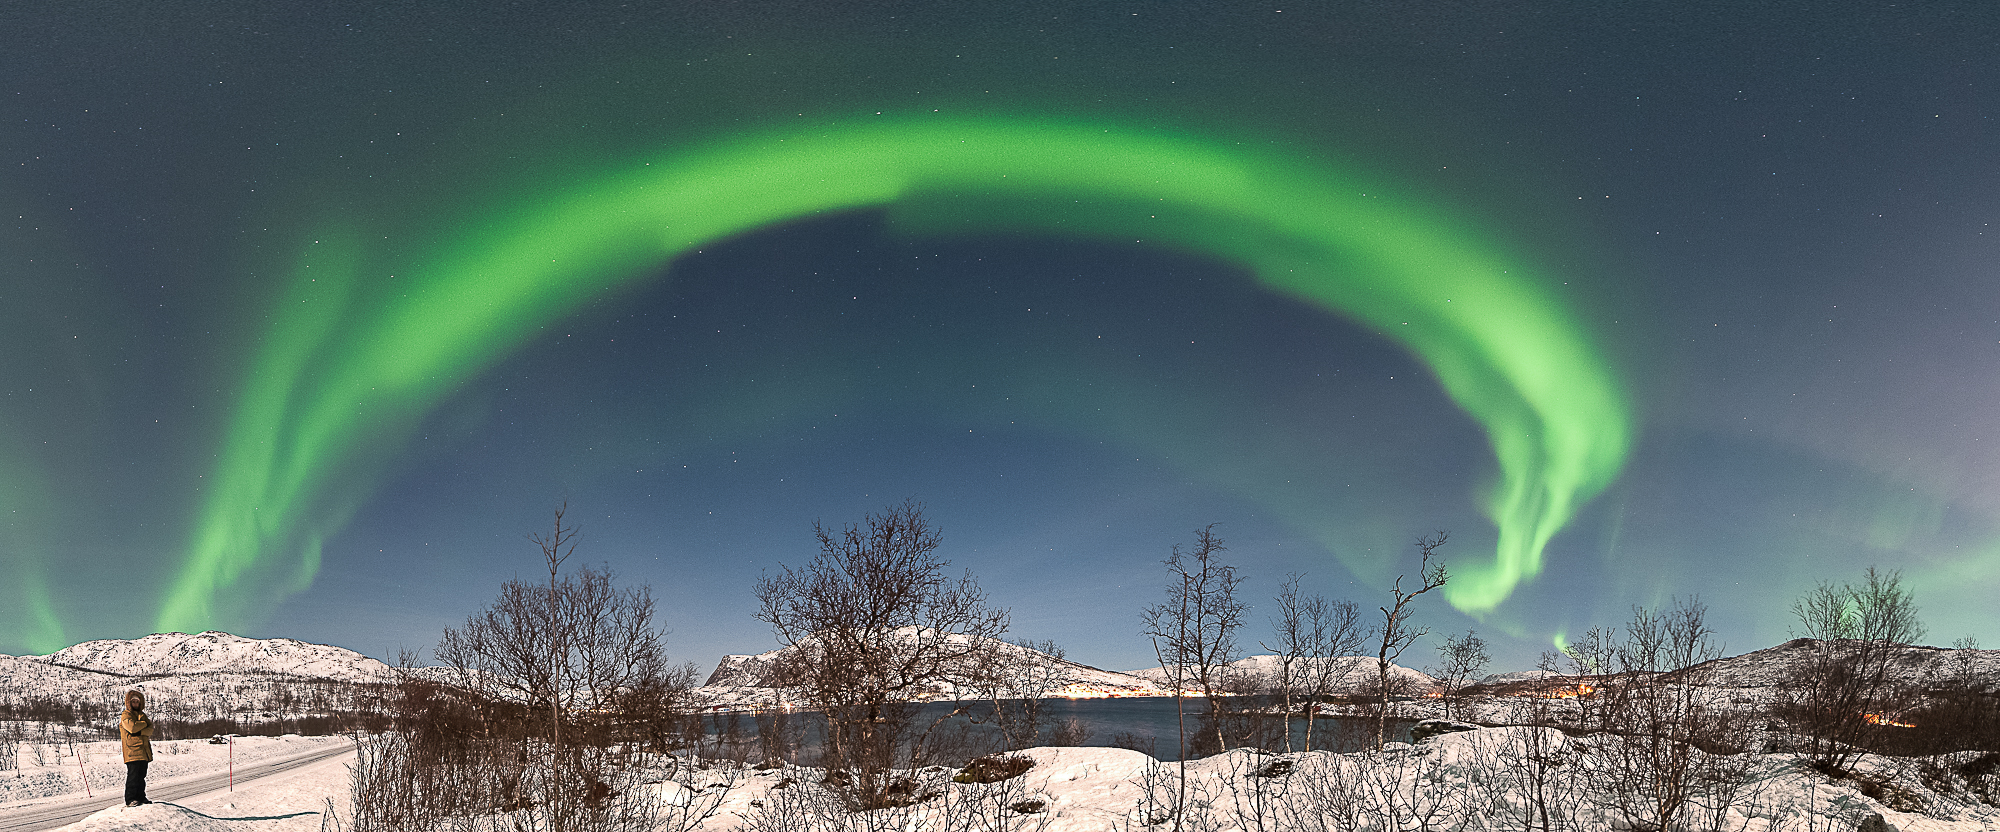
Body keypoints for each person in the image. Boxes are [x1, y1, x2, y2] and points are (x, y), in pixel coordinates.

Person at [120, 690, 153, 807]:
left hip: (143, 751)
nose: (135, 704)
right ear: (129, 702)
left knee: (141, 776)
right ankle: (130, 799)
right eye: (133, 701)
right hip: (132, 750)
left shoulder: (142, 716)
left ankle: (141, 797)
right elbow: (132, 728)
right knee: (133, 777)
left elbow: (151, 730)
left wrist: (140, 728)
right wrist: (144, 725)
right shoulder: (126, 715)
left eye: (137, 702)